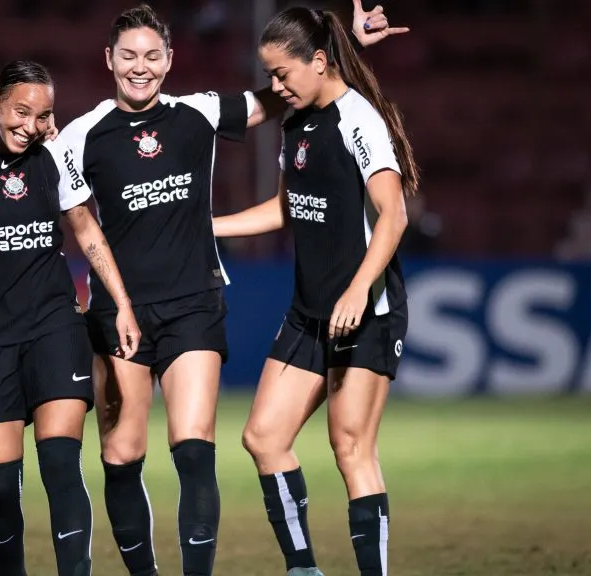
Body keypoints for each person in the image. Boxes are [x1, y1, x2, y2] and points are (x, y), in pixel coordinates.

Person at [56, 3, 402, 574]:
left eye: (151, 55)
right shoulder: (80, 136)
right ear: (108, 59)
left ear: (169, 60)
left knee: (207, 448)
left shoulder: (199, 114)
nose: (139, 67)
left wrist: (348, 52)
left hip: (223, 304)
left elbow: (290, 93)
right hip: (138, 314)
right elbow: (73, 214)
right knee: (140, 451)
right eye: (127, 56)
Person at [211, 7, 420, 576]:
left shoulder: (360, 121)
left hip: (367, 311)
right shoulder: (296, 123)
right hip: (309, 313)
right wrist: (207, 227)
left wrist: (357, 292)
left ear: (319, 62)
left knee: (350, 447)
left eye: (282, 75)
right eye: (270, 76)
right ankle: (303, 568)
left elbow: (394, 215)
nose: (275, 88)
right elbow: (285, 209)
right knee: (263, 437)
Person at [0, 59, 139, 576]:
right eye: (20, 111)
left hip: (54, 327)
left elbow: (87, 228)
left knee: (60, 466)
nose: (30, 126)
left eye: (42, 115)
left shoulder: (54, 154)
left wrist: (121, 303)